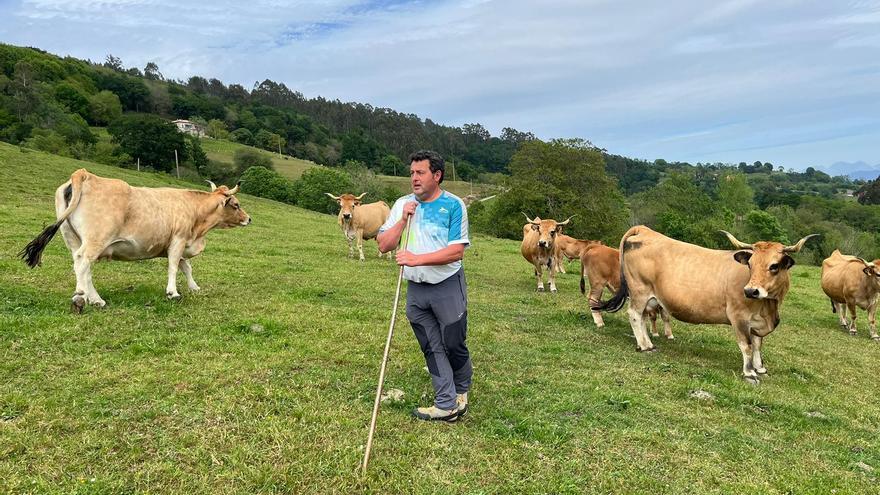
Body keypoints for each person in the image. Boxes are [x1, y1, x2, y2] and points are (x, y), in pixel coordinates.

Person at [377, 150, 471, 422]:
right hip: (416, 290)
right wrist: (403, 220)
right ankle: (446, 403)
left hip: (447, 285)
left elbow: (456, 252)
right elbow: (384, 245)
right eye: (412, 173)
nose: (414, 179)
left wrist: (417, 259)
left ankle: (462, 388)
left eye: (420, 173)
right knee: (430, 345)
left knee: (453, 343)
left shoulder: (454, 205)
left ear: (437, 175)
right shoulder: (402, 204)